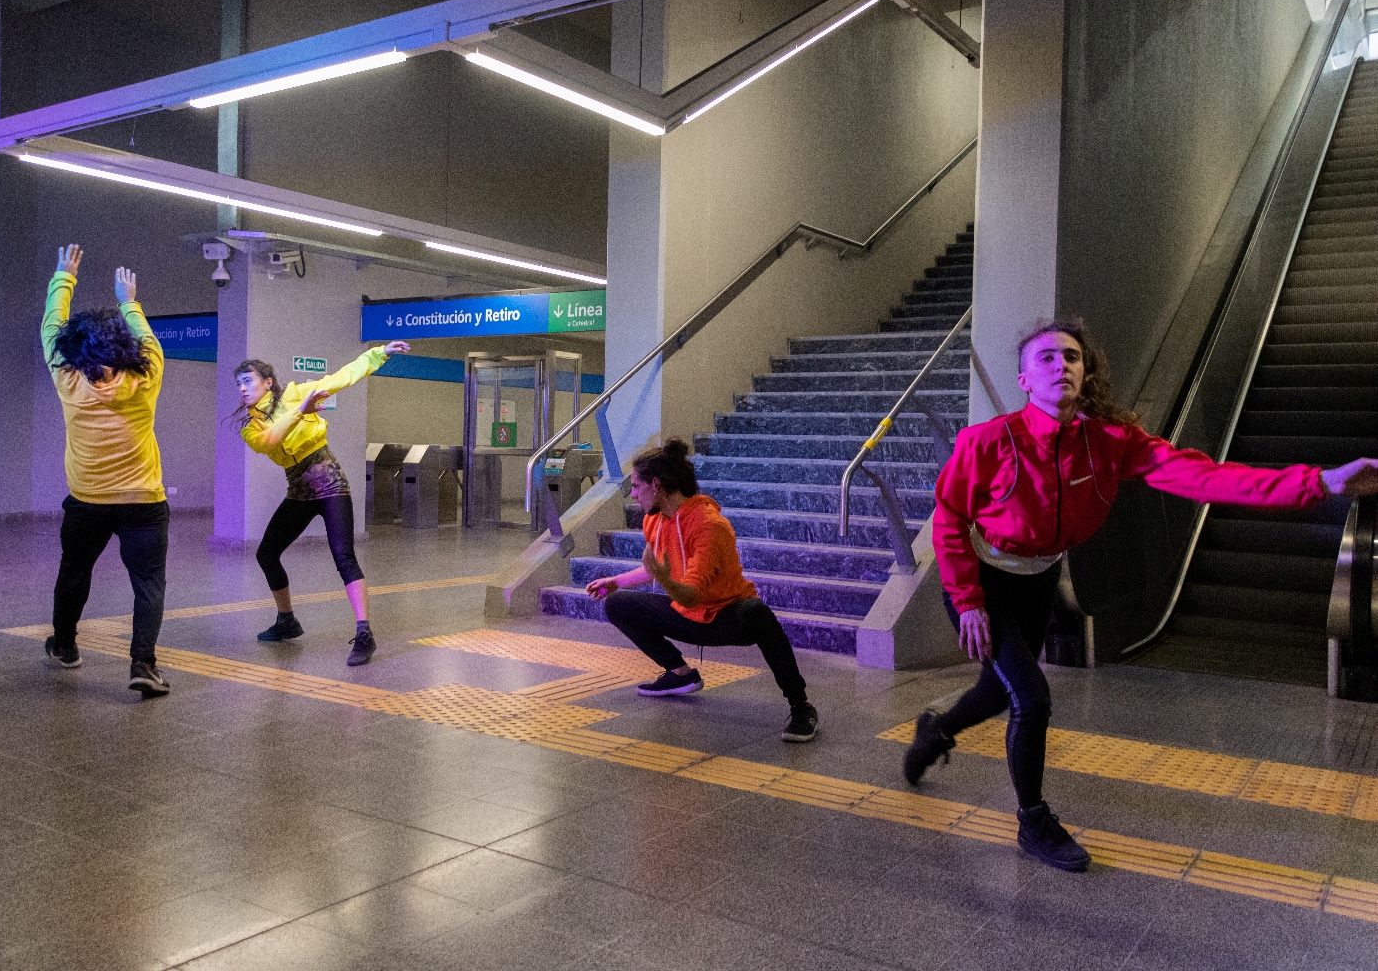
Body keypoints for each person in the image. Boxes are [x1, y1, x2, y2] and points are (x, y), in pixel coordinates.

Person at [905, 319, 1378, 871]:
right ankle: (1033, 821)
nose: (1063, 365)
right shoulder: (988, 441)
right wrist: (966, 599)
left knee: (997, 692)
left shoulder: (1112, 442)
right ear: (1024, 380)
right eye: (1048, 359)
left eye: (1072, 357)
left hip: (1038, 580)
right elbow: (951, 518)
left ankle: (935, 729)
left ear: (1085, 374)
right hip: (984, 583)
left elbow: (1210, 479)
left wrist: (1322, 482)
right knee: (1032, 699)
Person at [586, 439, 821, 741]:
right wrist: (615, 582)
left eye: (635, 486)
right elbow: (659, 569)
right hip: (686, 615)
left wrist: (664, 579)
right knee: (617, 603)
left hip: (725, 619)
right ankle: (680, 674)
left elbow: (689, 593)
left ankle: (802, 707)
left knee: (757, 612)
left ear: (656, 484)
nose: (632, 494)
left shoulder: (709, 525)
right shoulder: (654, 521)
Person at [41, 244, 171, 698]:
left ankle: (67, 645)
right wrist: (128, 299)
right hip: (144, 503)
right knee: (149, 584)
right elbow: (148, 337)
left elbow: (51, 327)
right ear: (124, 344)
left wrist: (64, 276)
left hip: (87, 501)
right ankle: (143, 665)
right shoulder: (147, 374)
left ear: (74, 346)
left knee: (74, 572)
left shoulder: (67, 375)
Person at [233, 342, 409, 666]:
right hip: (299, 491)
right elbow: (271, 439)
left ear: (268, 382)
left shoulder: (298, 393)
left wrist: (379, 353)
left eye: (249, 381)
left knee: (344, 556)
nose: (243, 389)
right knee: (267, 553)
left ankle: (364, 633)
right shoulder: (250, 425)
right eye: (240, 384)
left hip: (330, 484)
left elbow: (341, 378)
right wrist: (301, 413)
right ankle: (287, 620)